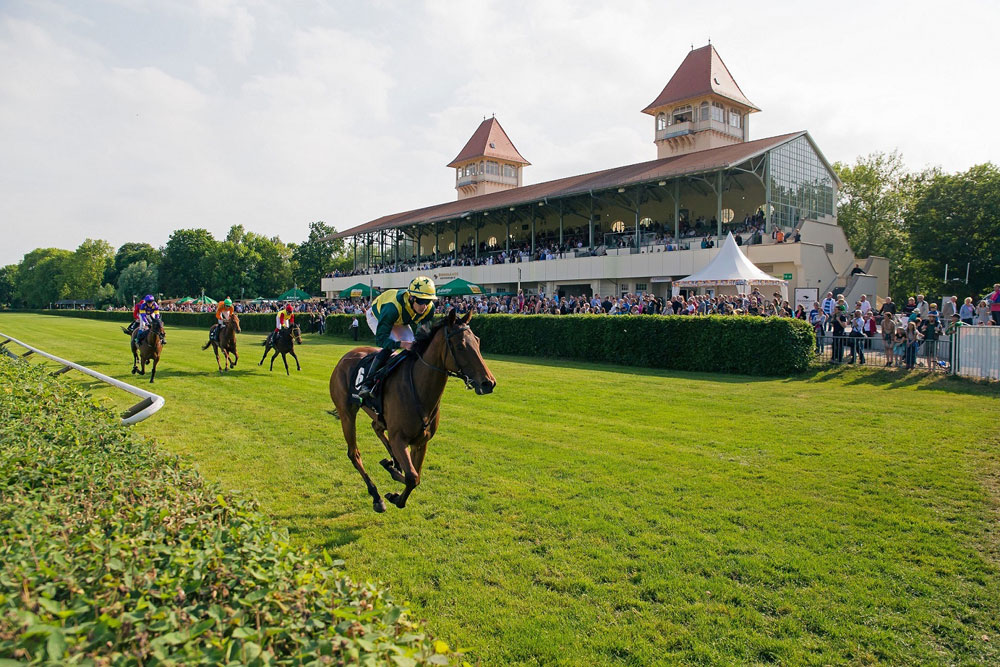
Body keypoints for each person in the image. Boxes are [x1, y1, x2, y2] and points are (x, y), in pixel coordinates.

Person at [355, 276, 438, 401]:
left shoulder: (429, 309)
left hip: (399, 320)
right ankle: (367, 384)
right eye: (421, 301)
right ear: (411, 298)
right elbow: (381, 340)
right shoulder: (391, 308)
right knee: (390, 348)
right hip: (377, 316)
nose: (424, 306)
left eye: (428, 301)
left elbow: (423, 335)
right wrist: (402, 344)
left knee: (415, 347)